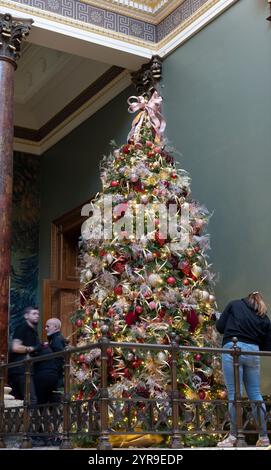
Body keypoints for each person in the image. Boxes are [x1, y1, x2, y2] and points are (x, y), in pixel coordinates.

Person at [216, 292, 271, 447]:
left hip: (233, 350)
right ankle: (264, 437)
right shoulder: (263, 315)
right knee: (255, 393)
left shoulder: (234, 304)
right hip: (252, 352)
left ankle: (234, 437)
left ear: (246, 299)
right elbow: (268, 345)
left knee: (234, 394)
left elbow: (220, 327)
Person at [8, 306, 41, 404]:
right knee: (31, 400)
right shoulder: (23, 328)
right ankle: (29, 419)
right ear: (26, 316)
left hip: (23, 369)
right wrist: (32, 348)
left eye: (38, 314)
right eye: (34, 314)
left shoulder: (33, 331)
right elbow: (15, 347)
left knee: (22, 401)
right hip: (21, 369)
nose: (37, 316)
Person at [45, 318, 67, 399]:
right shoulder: (55, 339)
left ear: (55, 327)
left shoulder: (56, 340)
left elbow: (59, 360)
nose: (45, 328)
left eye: (48, 326)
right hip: (58, 377)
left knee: (56, 400)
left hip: (57, 378)